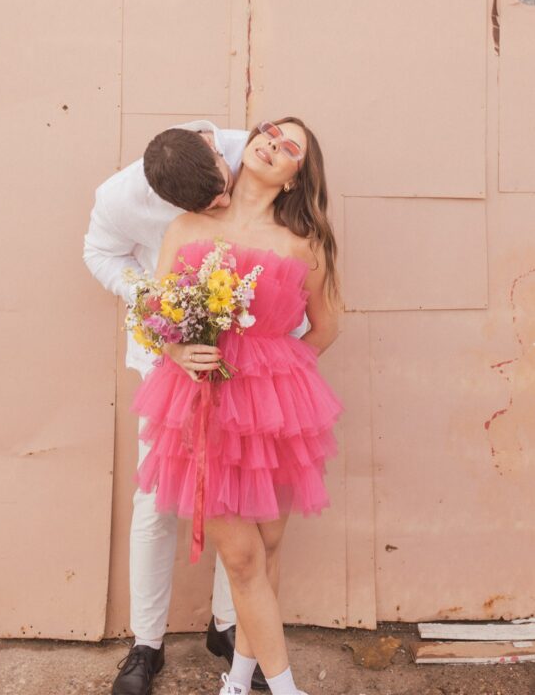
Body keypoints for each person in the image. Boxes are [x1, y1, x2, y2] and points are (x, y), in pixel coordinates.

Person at [130, 117, 343, 695]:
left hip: (272, 415)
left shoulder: (305, 242)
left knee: (267, 551)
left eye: (291, 145)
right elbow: (157, 316)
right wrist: (177, 349)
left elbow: (326, 327)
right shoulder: (187, 225)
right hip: (202, 409)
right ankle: (287, 689)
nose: (274, 143)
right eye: (270, 131)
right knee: (244, 560)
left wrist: (278, 376)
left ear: (298, 176)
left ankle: (238, 682)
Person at [84, 120, 297, 694]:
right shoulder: (119, 198)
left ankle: (230, 628)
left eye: (222, 188)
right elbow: (99, 253)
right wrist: (157, 304)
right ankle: (145, 643)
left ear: (212, 149)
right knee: (157, 502)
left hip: (246, 366)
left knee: (241, 497)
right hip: (166, 360)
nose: (224, 201)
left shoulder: (245, 150)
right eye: (211, 203)